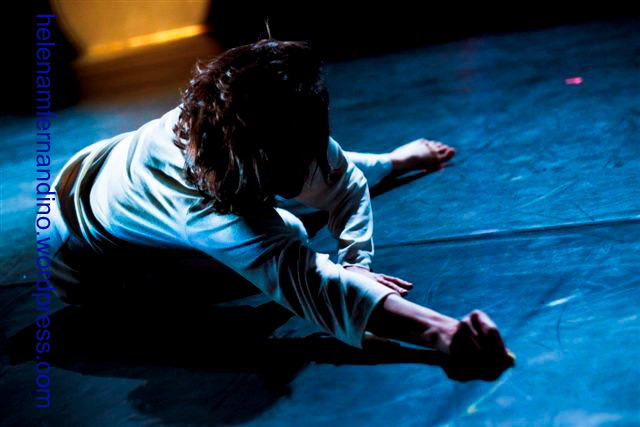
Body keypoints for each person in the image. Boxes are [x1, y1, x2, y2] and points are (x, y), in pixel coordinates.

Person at [46, 39, 512, 379]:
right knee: (290, 230)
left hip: (102, 166)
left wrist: (358, 261)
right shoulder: (200, 203)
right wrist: (443, 333)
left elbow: (342, 178)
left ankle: (389, 161)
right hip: (89, 264)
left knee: (301, 188)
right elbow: (310, 283)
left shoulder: (265, 125)